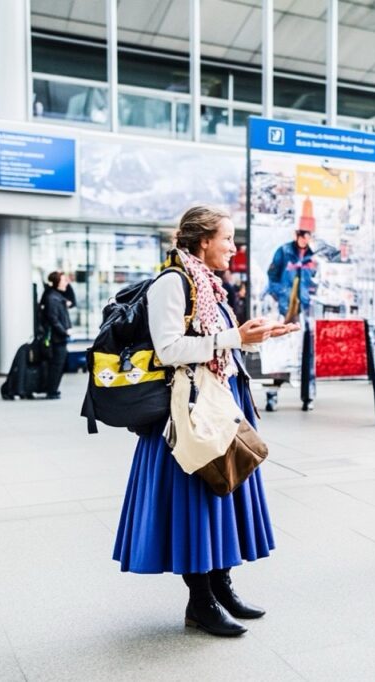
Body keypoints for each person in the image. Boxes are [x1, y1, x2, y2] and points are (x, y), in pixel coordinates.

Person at [113, 204, 297, 637]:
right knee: (197, 503)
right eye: (227, 238)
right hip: (191, 411)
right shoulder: (172, 282)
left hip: (217, 402)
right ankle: (201, 602)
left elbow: (216, 344)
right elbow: (168, 350)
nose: (233, 247)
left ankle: (221, 588)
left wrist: (254, 337)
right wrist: (234, 336)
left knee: (221, 496)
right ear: (203, 241)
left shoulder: (208, 283)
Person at [263, 223, 318, 411]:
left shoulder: (312, 255)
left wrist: (311, 294)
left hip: (304, 308)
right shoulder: (284, 251)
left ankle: (308, 397)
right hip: (284, 307)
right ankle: (272, 395)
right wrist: (279, 294)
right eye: (303, 235)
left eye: (308, 235)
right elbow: (272, 274)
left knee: (307, 354)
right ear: (297, 235)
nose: (305, 239)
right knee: (279, 352)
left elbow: (315, 278)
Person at [39, 272, 72, 400]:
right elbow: (53, 319)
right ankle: (51, 390)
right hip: (56, 338)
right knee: (56, 365)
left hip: (59, 337)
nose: (66, 283)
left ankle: (53, 389)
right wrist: (64, 331)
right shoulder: (52, 298)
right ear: (56, 283)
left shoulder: (56, 296)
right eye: (63, 281)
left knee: (59, 364)